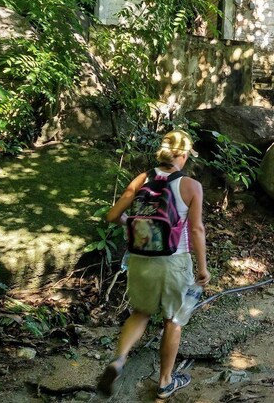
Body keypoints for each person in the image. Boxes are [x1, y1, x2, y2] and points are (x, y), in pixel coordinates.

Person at [97, 130, 210, 400]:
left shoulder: (141, 179)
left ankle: (119, 360)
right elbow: (196, 230)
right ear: (182, 155)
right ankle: (165, 382)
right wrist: (203, 268)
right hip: (174, 261)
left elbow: (112, 215)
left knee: (140, 313)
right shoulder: (191, 186)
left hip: (140, 260)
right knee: (172, 321)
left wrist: (135, 225)